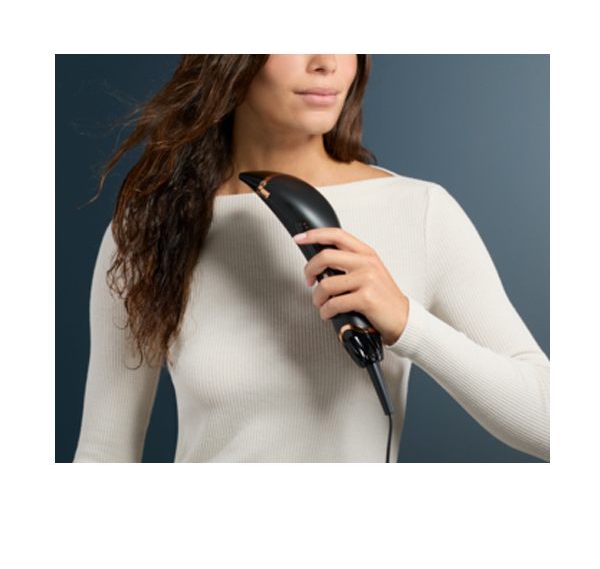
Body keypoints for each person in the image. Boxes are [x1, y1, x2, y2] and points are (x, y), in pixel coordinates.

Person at [73, 54, 550, 463]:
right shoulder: (148, 227)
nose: (327, 61)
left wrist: (409, 323)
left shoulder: (420, 211)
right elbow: (103, 453)